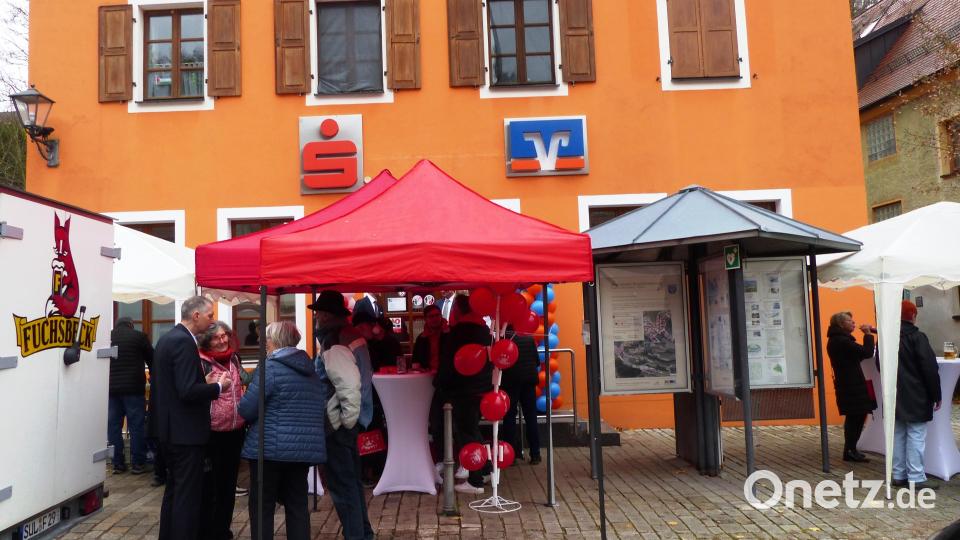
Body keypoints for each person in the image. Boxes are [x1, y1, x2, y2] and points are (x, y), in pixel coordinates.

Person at [238, 321, 326, 540]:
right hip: (301, 450)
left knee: (262, 506)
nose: (263, 342)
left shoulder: (269, 368)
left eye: (266, 338)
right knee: (297, 505)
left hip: (269, 449)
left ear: (275, 340)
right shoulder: (310, 369)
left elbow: (247, 409)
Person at [154, 296, 229, 540]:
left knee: (175, 492)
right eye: (209, 315)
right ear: (196, 315)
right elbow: (187, 391)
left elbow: (176, 385)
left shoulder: (168, 338)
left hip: (170, 430)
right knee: (187, 498)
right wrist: (218, 387)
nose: (212, 321)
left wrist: (201, 382)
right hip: (185, 433)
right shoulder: (184, 342)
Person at [310, 290, 374, 540]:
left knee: (342, 486)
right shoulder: (348, 335)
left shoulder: (335, 340)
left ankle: (356, 536)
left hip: (339, 424)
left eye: (318, 313)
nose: (316, 317)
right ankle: (363, 533)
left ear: (326, 315)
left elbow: (348, 386)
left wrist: (345, 422)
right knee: (352, 483)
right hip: (351, 420)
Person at [435, 294, 492, 494]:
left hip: (463, 388)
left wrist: (440, 384)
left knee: (467, 433)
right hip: (481, 387)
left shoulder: (459, 332)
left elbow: (449, 362)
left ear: (458, 310)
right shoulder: (484, 330)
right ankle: (485, 470)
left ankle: (475, 480)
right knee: (474, 429)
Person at [198, 322, 247, 540]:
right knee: (211, 487)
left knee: (228, 486)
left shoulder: (234, 358)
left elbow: (242, 382)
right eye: (217, 337)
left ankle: (223, 531)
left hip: (235, 431)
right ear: (207, 341)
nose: (223, 340)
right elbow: (195, 393)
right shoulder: (201, 362)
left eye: (224, 335)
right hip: (212, 433)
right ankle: (208, 532)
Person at [893, 300, 941, 489]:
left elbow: (880, 366)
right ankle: (916, 477)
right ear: (912, 316)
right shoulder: (918, 337)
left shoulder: (887, 337)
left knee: (898, 434)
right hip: (916, 394)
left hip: (895, 393)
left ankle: (898, 474)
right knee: (916, 435)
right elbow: (929, 368)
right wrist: (936, 394)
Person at [825, 311, 877, 463]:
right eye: (849, 321)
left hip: (849, 383)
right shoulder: (841, 341)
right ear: (841, 324)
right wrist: (868, 334)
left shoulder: (839, 340)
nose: (853, 323)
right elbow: (867, 352)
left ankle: (851, 449)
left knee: (857, 416)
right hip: (851, 384)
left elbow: (857, 355)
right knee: (855, 417)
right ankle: (849, 450)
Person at [108, 317, 154, 475]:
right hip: (134, 389)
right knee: (136, 426)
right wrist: (153, 376)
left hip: (112, 389)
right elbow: (152, 359)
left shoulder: (108, 338)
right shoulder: (139, 337)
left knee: (113, 426)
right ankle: (138, 464)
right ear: (131, 325)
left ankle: (117, 463)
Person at [501, 324, 542, 465]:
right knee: (531, 417)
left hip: (510, 383)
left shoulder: (503, 341)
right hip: (529, 382)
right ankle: (535, 454)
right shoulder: (529, 339)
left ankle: (511, 455)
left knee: (509, 418)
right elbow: (537, 361)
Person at [412, 305, 449, 372]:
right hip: (427, 375)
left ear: (441, 316)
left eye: (437, 315)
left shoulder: (450, 334)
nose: (435, 318)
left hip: (447, 374)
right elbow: (415, 359)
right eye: (431, 316)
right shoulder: (421, 338)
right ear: (425, 319)